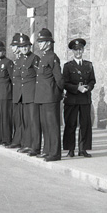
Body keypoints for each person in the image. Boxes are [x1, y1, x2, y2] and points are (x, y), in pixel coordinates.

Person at [62, 37, 96, 158]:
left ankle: (83, 149)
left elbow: (92, 80)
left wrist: (88, 87)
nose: (78, 52)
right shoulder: (68, 66)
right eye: (76, 50)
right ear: (72, 51)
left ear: (83, 50)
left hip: (85, 98)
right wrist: (77, 88)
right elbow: (65, 83)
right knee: (70, 124)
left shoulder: (89, 65)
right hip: (72, 99)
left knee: (85, 124)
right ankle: (70, 149)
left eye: (80, 49)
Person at [34, 28, 64, 162]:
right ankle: (47, 150)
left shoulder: (52, 57)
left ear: (48, 43)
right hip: (42, 96)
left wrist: (59, 92)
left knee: (52, 125)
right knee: (45, 125)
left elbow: (59, 78)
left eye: (42, 42)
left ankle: (55, 153)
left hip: (51, 96)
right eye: (39, 42)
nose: (39, 44)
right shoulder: (43, 57)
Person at [0, 41, 13, 146]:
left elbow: (12, 78)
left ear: (4, 51)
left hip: (5, 92)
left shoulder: (8, 62)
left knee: (5, 116)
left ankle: (6, 139)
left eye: (0, 51)